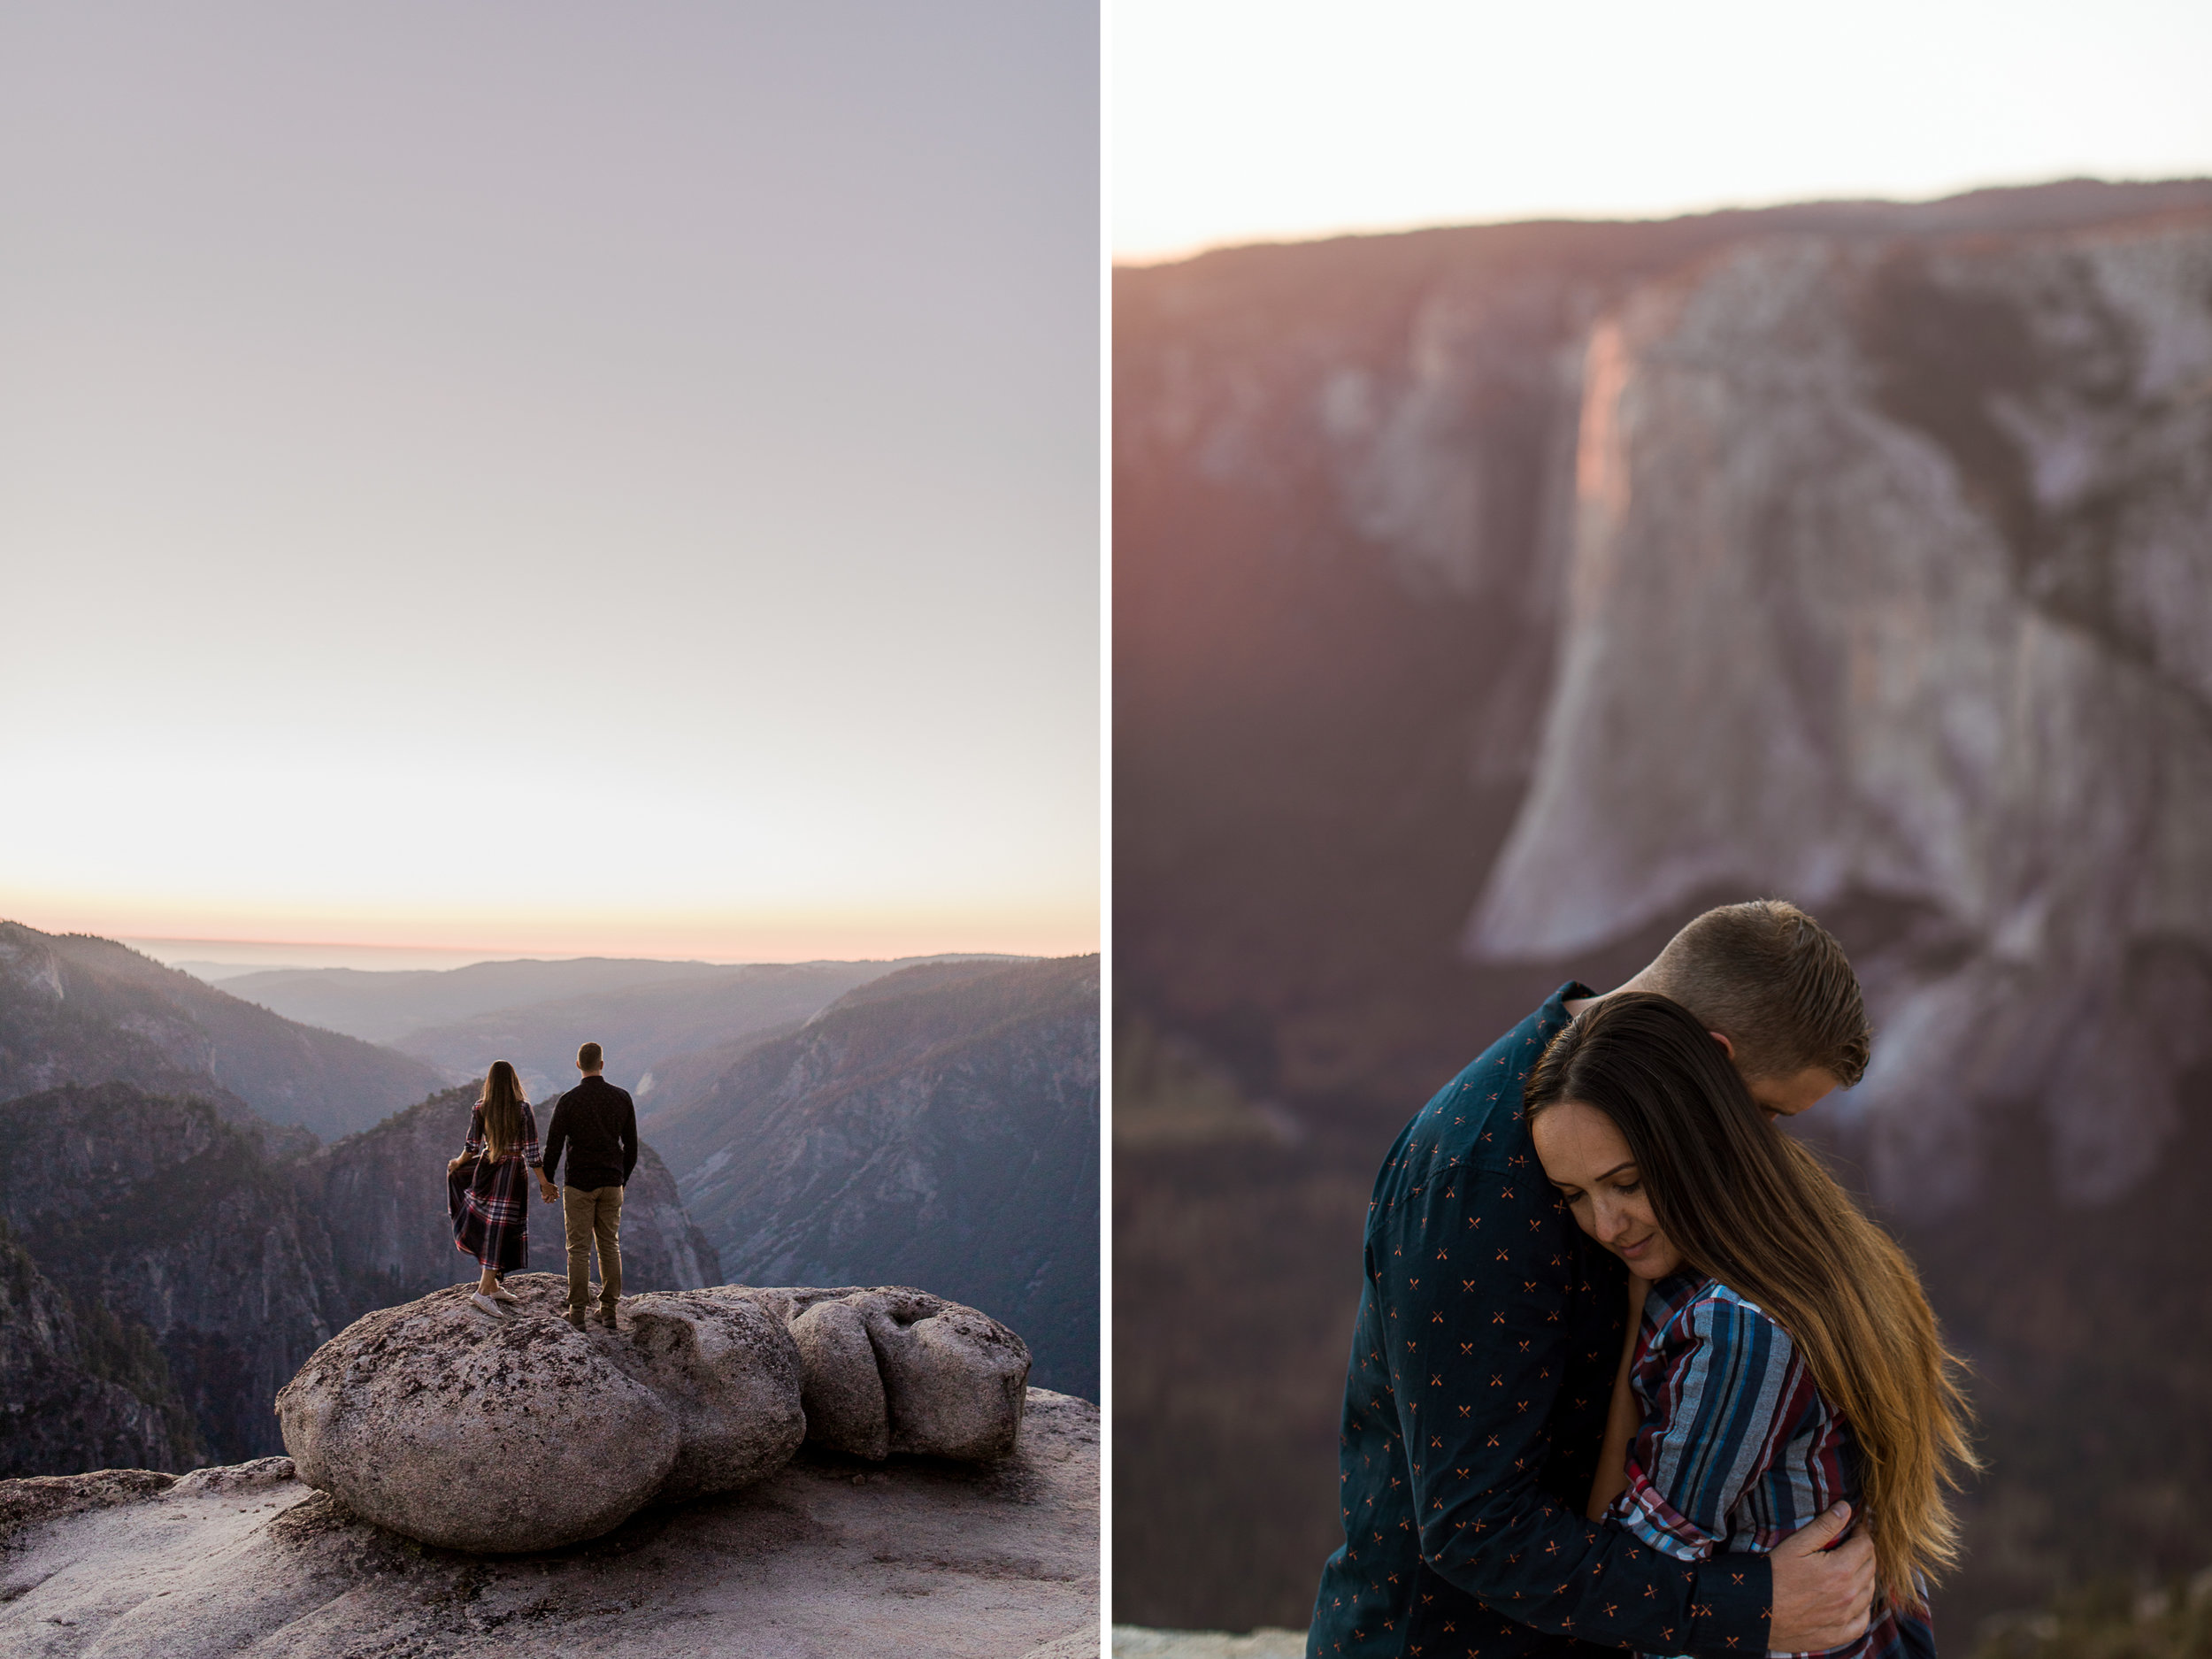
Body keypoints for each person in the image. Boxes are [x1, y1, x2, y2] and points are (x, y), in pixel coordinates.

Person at [1308, 899, 1879, 1659]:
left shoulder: (1623, 1140)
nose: (1764, 1141)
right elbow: (1476, 1528)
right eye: (1766, 1110)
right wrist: (1751, 1605)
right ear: (1712, 1060)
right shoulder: (1482, 1181)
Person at [1527, 992, 1974, 1659]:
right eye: (1575, 1194)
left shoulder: (1733, 1328)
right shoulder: (1825, 1248)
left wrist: (1626, 1338)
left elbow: (1625, 1588)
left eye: (1626, 1181)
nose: (1605, 1225)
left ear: (1696, 1141)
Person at [537, 1041, 639, 1333]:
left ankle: (577, 1312)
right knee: (609, 1244)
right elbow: (631, 1146)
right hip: (611, 1182)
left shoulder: (569, 1101)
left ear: (578, 1064)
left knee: (579, 1249)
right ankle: (608, 1311)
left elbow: (554, 1146)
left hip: (579, 1184)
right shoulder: (622, 1098)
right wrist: (623, 1179)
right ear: (602, 1064)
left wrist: (548, 1183)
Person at [445, 1060, 542, 1317]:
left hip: (487, 1169)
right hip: (512, 1173)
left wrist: (457, 1163)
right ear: (513, 1081)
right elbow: (532, 1153)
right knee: (501, 1228)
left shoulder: (481, 1107)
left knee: (494, 1227)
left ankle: (493, 1285)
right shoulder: (522, 1109)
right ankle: (482, 1291)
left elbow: (471, 1147)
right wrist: (545, 1183)